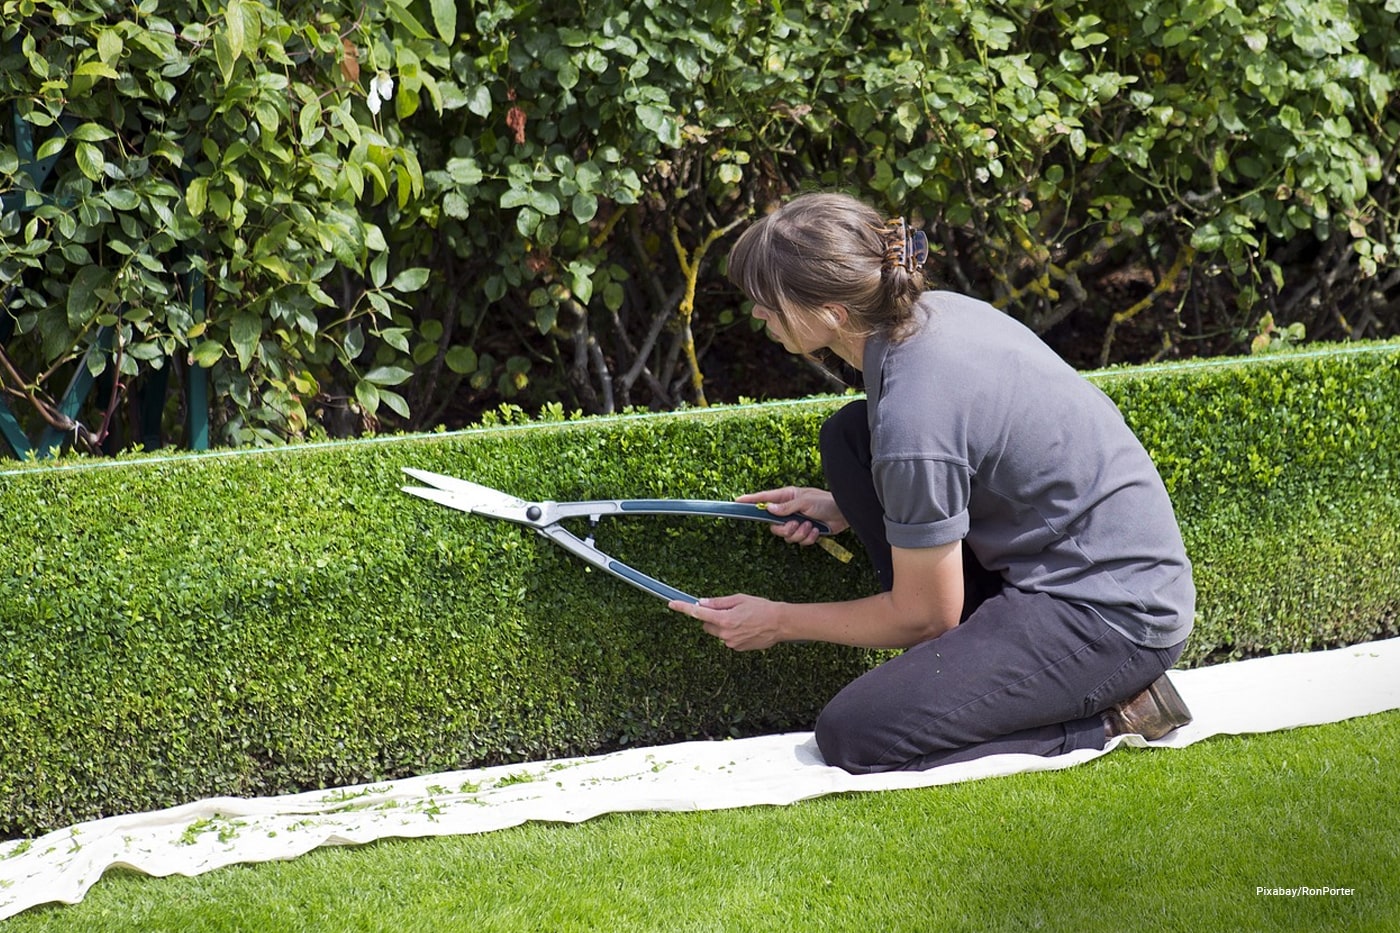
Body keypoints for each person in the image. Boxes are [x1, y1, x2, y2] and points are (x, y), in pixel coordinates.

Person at [667, 192, 1195, 773]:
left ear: (833, 313)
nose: (758, 316)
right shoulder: (929, 315)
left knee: (856, 735)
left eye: (767, 303)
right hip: (1077, 566)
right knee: (849, 438)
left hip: (1111, 615)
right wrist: (842, 506)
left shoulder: (914, 416)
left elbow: (925, 617)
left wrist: (779, 619)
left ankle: (1116, 715)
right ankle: (981, 675)